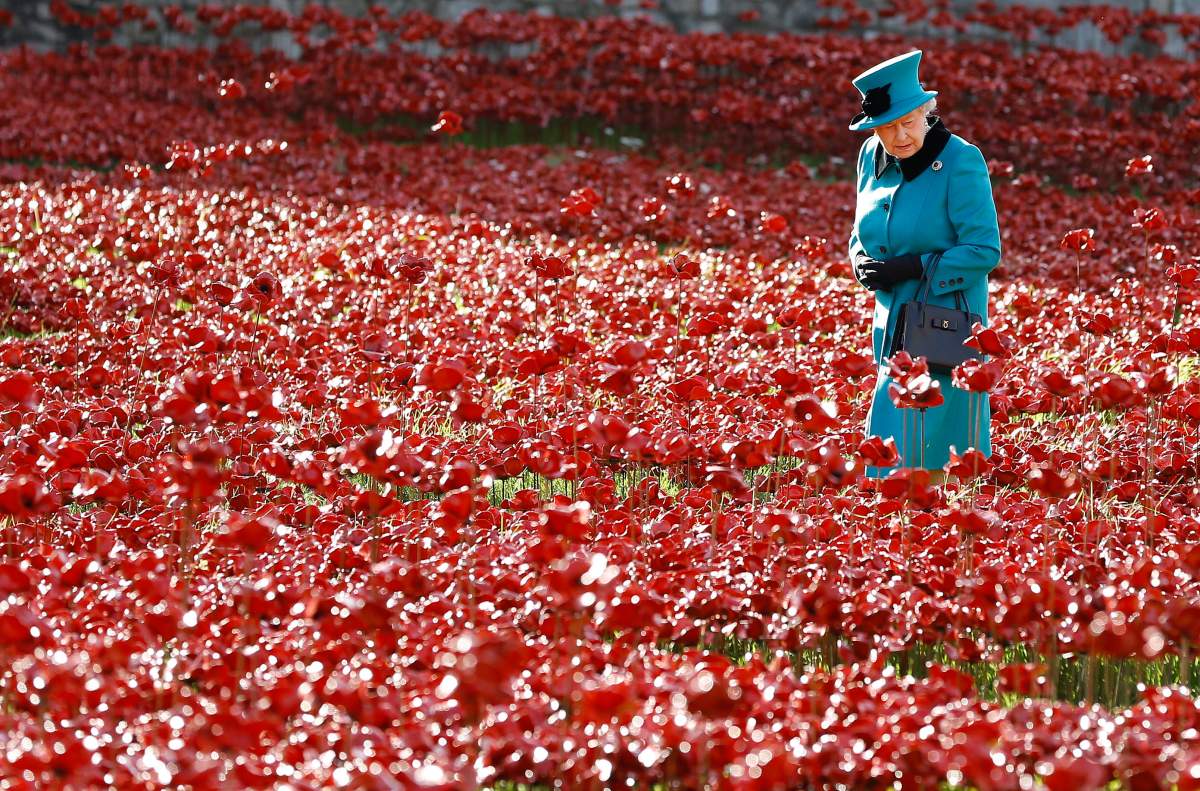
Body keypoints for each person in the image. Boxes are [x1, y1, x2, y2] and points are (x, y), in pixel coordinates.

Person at [845, 50, 1002, 486]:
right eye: (887, 127)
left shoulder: (960, 161)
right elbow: (861, 230)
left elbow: (985, 250)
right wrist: (861, 261)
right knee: (890, 450)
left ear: (927, 113)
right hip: (891, 325)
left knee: (935, 450)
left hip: (943, 327)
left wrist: (915, 265)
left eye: (907, 122)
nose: (898, 137)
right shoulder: (869, 157)